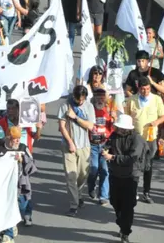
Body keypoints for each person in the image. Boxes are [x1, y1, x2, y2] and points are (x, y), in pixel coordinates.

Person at [125, 77, 164, 204]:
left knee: (148, 165)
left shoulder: (157, 99)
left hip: (150, 138)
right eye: (143, 89)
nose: (145, 92)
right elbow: (126, 118)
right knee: (135, 165)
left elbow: (163, 116)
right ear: (138, 88)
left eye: (148, 89)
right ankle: (133, 191)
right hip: (136, 138)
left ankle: (146, 192)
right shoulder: (131, 100)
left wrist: (156, 122)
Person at [105, 114, 144, 243]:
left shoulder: (137, 139)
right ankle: (121, 223)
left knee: (128, 206)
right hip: (115, 174)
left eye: (122, 128)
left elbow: (132, 158)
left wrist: (113, 157)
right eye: (119, 127)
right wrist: (105, 149)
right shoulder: (114, 135)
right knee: (114, 201)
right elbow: (107, 146)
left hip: (131, 176)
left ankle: (125, 232)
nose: (120, 130)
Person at [58, 85, 96, 216]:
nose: (80, 102)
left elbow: (90, 126)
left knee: (82, 174)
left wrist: (75, 117)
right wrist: (70, 142)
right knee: (71, 176)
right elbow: (62, 127)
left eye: (82, 100)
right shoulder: (65, 106)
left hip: (84, 145)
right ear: (73, 96)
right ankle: (73, 205)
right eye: (77, 99)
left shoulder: (89, 106)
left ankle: (79, 195)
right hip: (68, 146)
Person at [0, 126, 38, 236]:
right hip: (6, 184)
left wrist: (22, 160)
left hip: (21, 183)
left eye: (19, 138)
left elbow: (32, 165)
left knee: (22, 205)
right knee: (7, 206)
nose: (18, 141)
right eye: (15, 138)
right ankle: (9, 229)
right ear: (8, 137)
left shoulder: (23, 148)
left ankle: (27, 213)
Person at [88, 88, 113, 205]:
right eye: (98, 97)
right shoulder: (89, 109)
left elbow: (113, 128)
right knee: (93, 169)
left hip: (105, 145)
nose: (100, 100)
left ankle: (103, 196)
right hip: (92, 144)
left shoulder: (109, 110)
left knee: (104, 170)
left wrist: (114, 119)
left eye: (102, 98)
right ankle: (91, 186)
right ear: (93, 98)